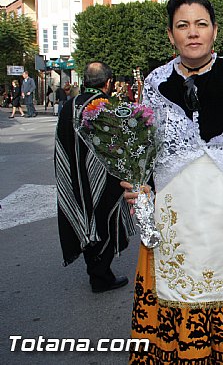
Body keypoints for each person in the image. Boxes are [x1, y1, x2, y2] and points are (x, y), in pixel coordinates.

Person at [123, 0, 223, 364]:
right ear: (170, 35)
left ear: (214, 31)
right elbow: (143, 151)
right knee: (175, 293)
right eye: (182, 25)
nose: (192, 33)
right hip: (175, 218)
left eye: (201, 24)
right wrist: (140, 185)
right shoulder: (155, 82)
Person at [54, 61, 135, 293]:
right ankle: (101, 276)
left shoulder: (69, 106)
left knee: (87, 222)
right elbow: (118, 146)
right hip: (102, 179)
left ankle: (97, 271)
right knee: (105, 223)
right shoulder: (104, 106)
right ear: (108, 82)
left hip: (75, 179)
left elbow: (61, 145)